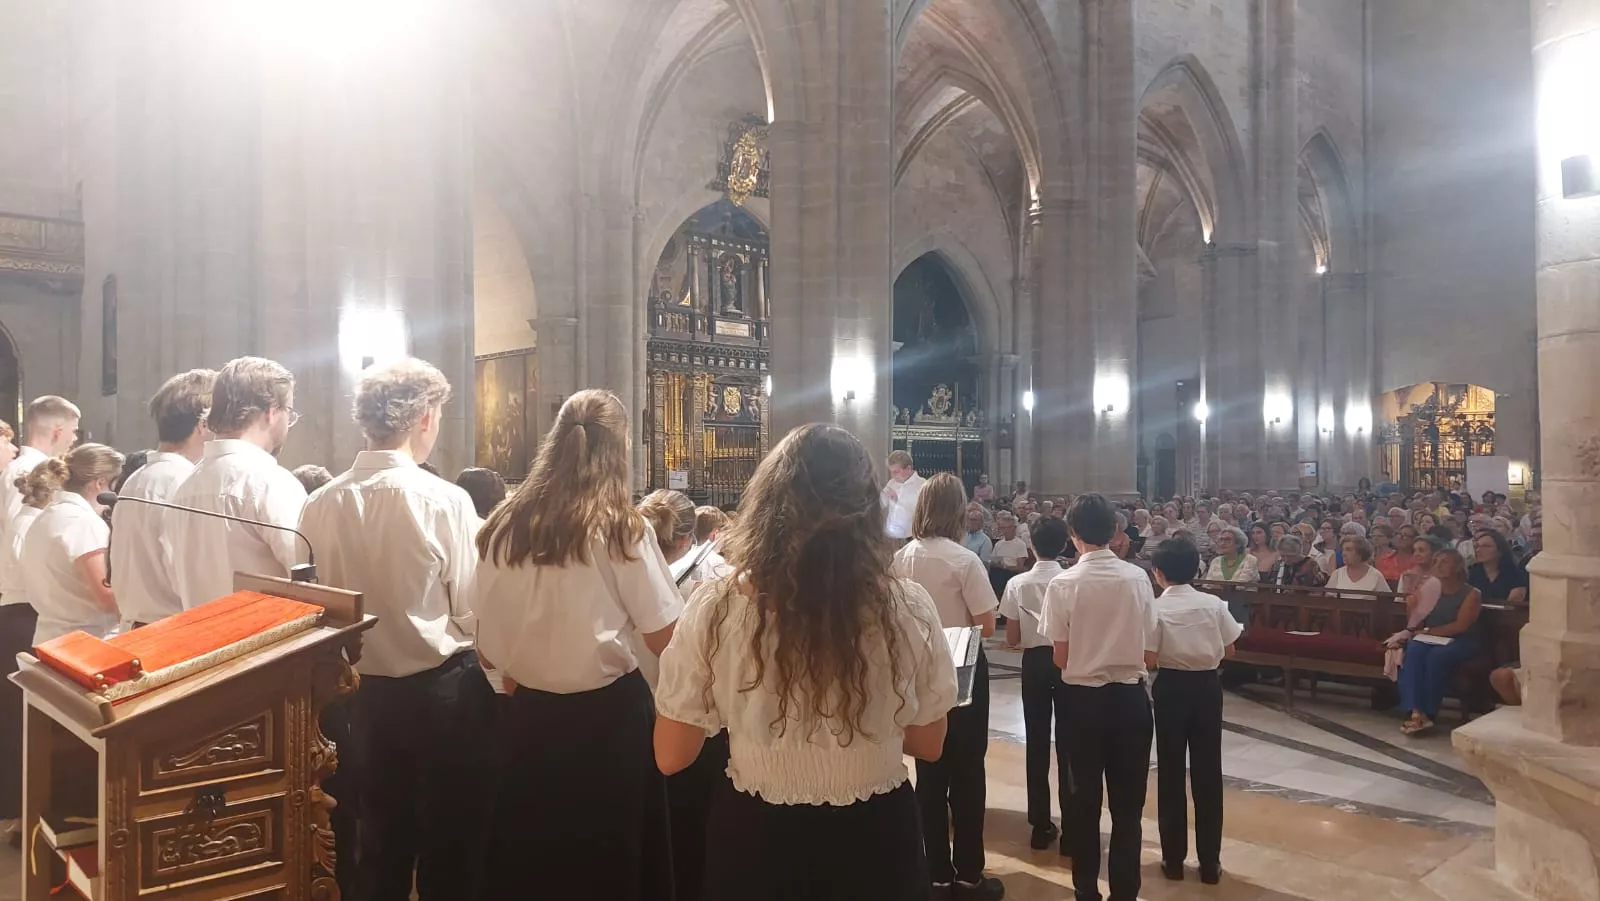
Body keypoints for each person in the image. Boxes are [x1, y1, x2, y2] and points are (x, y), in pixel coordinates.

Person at [654, 424, 957, 901]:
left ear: (767, 508)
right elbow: (929, 742)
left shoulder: (718, 607)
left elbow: (672, 756)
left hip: (758, 837)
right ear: (866, 513)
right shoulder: (907, 607)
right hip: (875, 839)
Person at [297, 359, 495, 901]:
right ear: (425, 417)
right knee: (450, 845)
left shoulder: (318, 503)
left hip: (352, 697)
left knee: (374, 843)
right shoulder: (444, 500)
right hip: (441, 694)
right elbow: (473, 607)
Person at [470, 389, 680, 901]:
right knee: (610, 862)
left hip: (530, 720)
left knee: (534, 861)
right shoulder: (620, 528)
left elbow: (488, 649)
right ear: (620, 447)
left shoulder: (504, 525)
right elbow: (664, 636)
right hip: (609, 725)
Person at [1040, 493, 1158, 901]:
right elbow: (1149, 647)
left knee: (1082, 804)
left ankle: (1086, 891)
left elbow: (1060, 655)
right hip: (1129, 701)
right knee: (1128, 809)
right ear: (1114, 531)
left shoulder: (1063, 582)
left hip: (1081, 704)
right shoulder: (1137, 578)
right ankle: (1125, 892)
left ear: (1073, 535)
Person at [893, 473, 1002, 900]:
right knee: (969, 772)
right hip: (963, 662)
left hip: (918, 667)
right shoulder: (964, 559)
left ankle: (936, 871)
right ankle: (970, 874)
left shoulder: (902, 557)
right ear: (958, 511)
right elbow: (987, 625)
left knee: (930, 771)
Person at [636, 488, 728, 901]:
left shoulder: (622, 573)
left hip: (637, 722)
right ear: (685, 539)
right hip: (699, 730)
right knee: (696, 841)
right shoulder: (716, 578)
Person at [169, 357, 308, 609]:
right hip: (269, 644)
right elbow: (309, 579)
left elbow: (177, 584)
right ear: (272, 411)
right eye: (289, 411)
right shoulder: (268, 481)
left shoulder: (185, 487)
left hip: (205, 642)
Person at [1149, 538, 1240, 885]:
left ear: (1158, 573)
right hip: (1206, 688)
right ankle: (1209, 863)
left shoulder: (1156, 608)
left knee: (1170, 772)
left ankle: (1173, 860)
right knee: (1207, 773)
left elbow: (1150, 658)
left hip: (1170, 687)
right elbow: (1230, 650)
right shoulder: (1213, 604)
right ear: (1197, 568)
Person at [110, 370, 217, 629]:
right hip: (171, 631)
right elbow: (188, 578)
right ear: (203, 425)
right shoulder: (185, 483)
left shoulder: (137, 478)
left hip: (137, 625)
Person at [999, 517, 1071, 854]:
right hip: (1068, 661)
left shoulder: (1018, 583)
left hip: (1035, 663)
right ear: (1065, 544)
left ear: (1032, 545)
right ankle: (1072, 826)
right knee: (1070, 745)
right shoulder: (1072, 580)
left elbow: (1012, 637)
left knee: (1037, 742)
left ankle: (1040, 824)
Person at [21, 444, 124, 645]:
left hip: (50, 637)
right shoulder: (83, 522)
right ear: (100, 483)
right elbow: (106, 596)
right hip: (86, 642)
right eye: (117, 484)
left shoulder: (45, 517)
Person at [1397, 550, 1483, 735]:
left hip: (1460, 640)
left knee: (1437, 656)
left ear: (1458, 567)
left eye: (1445, 562)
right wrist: (1412, 604)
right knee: (1414, 650)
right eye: (1436, 561)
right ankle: (1414, 711)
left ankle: (1428, 712)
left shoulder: (1471, 593)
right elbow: (1415, 624)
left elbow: (1461, 626)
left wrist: (1427, 631)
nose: (1439, 565)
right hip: (1430, 638)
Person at [1468, 530, 1529, 605]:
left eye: (1486, 546)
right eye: (1477, 546)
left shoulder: (1516, 575)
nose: (1478, 550)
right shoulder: (1470, 572)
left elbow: (1512, 605)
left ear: (1500, 550)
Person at [881, 450, 925, 540]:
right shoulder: (892, 483)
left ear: (908, 469)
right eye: (891, 471)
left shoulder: (922, 485)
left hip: (911, 537)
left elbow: (923, 513)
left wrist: (897, 500)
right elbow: (880, 503)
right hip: (890, 536)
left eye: (896, 471)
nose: (893, 475)